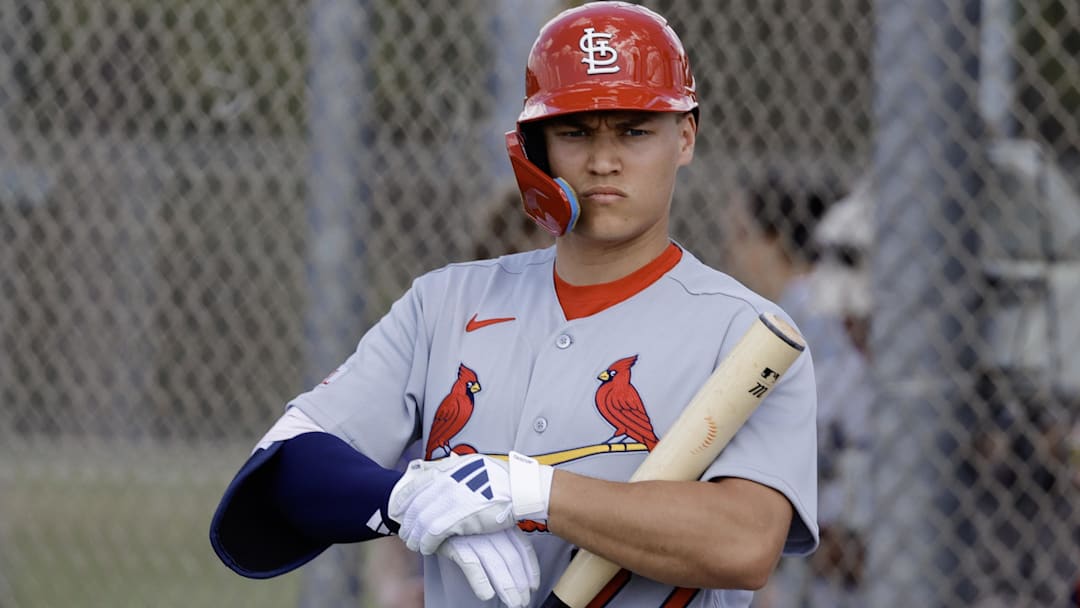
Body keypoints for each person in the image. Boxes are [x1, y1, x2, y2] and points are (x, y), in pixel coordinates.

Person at [209, 3, 819, 607]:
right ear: (536, 145)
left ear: (684, 137)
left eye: (634, 131)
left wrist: (531, 491)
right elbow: (283, 471)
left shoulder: (746, 333)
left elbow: (744, 543)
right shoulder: (444, 303)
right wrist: (407, 497)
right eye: (575, 131)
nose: (603, 160)